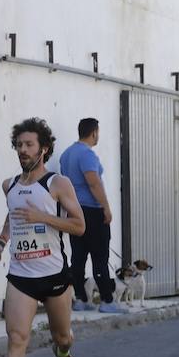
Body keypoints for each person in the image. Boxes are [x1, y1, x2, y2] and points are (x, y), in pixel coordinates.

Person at [0, 118, 86, 357]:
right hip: (20, 275)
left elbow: (79, 225)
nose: (23, 150)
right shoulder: (10, 185)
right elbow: (12, 217)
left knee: (63, 335)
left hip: (54, 274)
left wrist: (42, 216)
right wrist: (1, 242)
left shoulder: (58, 184)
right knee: (17, 339)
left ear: (43, 149)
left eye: (29, 145)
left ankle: (63, 354)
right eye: (19, 145)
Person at [59, 118, 125, 313]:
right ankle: (106, 300)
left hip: (74, 211)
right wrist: (106, 207)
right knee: (99, 256)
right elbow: (93, 182)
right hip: (92, 212)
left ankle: (80, 298)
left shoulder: (66, 155)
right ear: (94, 132)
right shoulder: (87, 155)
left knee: (78, 257)